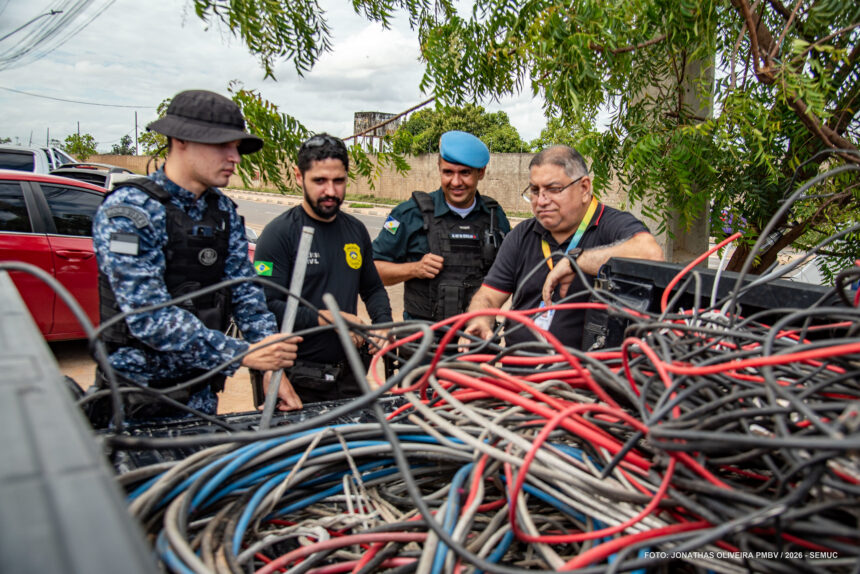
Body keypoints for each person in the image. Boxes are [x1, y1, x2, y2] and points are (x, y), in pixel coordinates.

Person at [92, 89, 300, 420]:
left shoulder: (221, 211)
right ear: (181, 141)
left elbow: (246, 293)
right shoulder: (129, 211)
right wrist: (242, 353)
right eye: (223, 145)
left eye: (236, 147)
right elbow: (149, 317)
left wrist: (273, 369)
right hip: (137, 400)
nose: (235, 157)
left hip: (199, 395)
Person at [461, 145, 664, 350]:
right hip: (518, 372)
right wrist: (480, 320)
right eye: (534, 190)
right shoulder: (521, 234)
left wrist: (578, 261)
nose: (541, 201)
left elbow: (651, 254)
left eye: (553, 189)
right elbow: (488, 295)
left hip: (586, 375)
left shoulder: (612, 225)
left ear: (584, 188)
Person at [253, 134, 392, 406]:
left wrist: (383, 324)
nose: (330, 191)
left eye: (338, 181)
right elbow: (267, 306)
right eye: (319, 181)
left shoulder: (356, 230)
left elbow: (372, 287)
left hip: (352, 373)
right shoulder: (278, 234)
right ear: (298, 176)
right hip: (298, 378)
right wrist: (330, 318)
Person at [372, 130, 511, 321]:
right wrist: (415, 269)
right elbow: (372, 271)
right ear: (439, 168)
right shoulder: (409, 213)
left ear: (481, 172)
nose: (456, 182)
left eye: (465, 173)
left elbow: (511, 273)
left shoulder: (495, 216)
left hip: (477, 338)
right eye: (448, 172)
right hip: (423, 341)